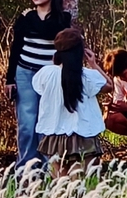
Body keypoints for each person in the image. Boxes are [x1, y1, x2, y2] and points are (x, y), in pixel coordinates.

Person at [7, 0, 72, 166]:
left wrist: (31, 16)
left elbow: (50, 32)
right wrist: (9, 79)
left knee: (46, 122)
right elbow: (15, 47)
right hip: (25, 72)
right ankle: (26, 166)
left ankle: (47, 167)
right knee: (27, 123)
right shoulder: (25, 17)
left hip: (50, 75)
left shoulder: (62, 18)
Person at [33, 26, 107, 167]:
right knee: (83, 182)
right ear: (81, 52)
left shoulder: (45, 74)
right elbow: (109, 85)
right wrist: (94, 64)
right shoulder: (88, 76)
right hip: (84, 134)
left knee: (60, 184)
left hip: (54, 136)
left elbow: (40, 90)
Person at [104, 48, 127, 142]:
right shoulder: (119, 79)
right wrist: (111, 107)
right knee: (110, 120)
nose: (122, 79)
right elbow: (118, 100)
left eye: (123, 74)